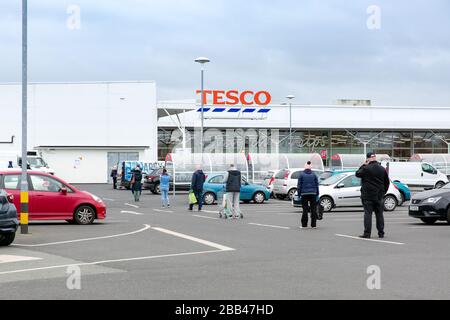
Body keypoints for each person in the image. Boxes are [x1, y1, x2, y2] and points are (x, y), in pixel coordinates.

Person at [356, 152, 390, 239]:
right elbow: (387, 182)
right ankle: (381, 233)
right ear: (375, 158)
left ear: (368, 158)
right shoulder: (382, 169)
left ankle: (367, 233)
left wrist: (363, 164)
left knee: (368, 214)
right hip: (379, 195)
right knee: (379, 214)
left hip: (368, 195)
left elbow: (357, 174)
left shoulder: (366, 168)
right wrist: (383, 192)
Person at [297, 161, 319, 229]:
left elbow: (299, 186)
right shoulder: (314, 174)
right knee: (313, 209)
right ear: (310, 168)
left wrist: (299, 194)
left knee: (305, 209)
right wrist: (317, 194)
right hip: (313, 194)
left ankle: (304, 225)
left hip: (304, 194)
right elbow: (317, 185)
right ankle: (313, 225)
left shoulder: (301, 175)